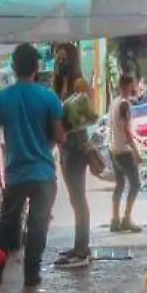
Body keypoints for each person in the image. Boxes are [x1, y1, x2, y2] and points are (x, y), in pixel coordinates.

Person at [0, 43, 66, 288]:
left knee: (7, 223)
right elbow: (60, 137)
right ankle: (31, 275)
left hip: (16, 174)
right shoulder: (49, 97)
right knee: (38, 225)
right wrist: (46, 144)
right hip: (43, 173)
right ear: (37, 67)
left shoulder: (0, 99)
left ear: (13, 66)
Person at [56, 77, 102, 269]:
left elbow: (89, 118)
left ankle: (82, 248)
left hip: (74, 149)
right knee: (76, 200)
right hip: (71, 149)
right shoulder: (73, 99)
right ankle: (79, 245)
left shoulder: (77, 99)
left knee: (78, 199)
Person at [108, 74, 144, 233]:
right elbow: (126, 131)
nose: (135, 88)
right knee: (135, 185)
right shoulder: (124, 105)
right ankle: (126, 219)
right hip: (124, 151)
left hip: (114, 149)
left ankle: (115, 219)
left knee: (120, 185)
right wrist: (136, 153)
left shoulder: (114, 102)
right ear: (126, 86)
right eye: (133, 84)